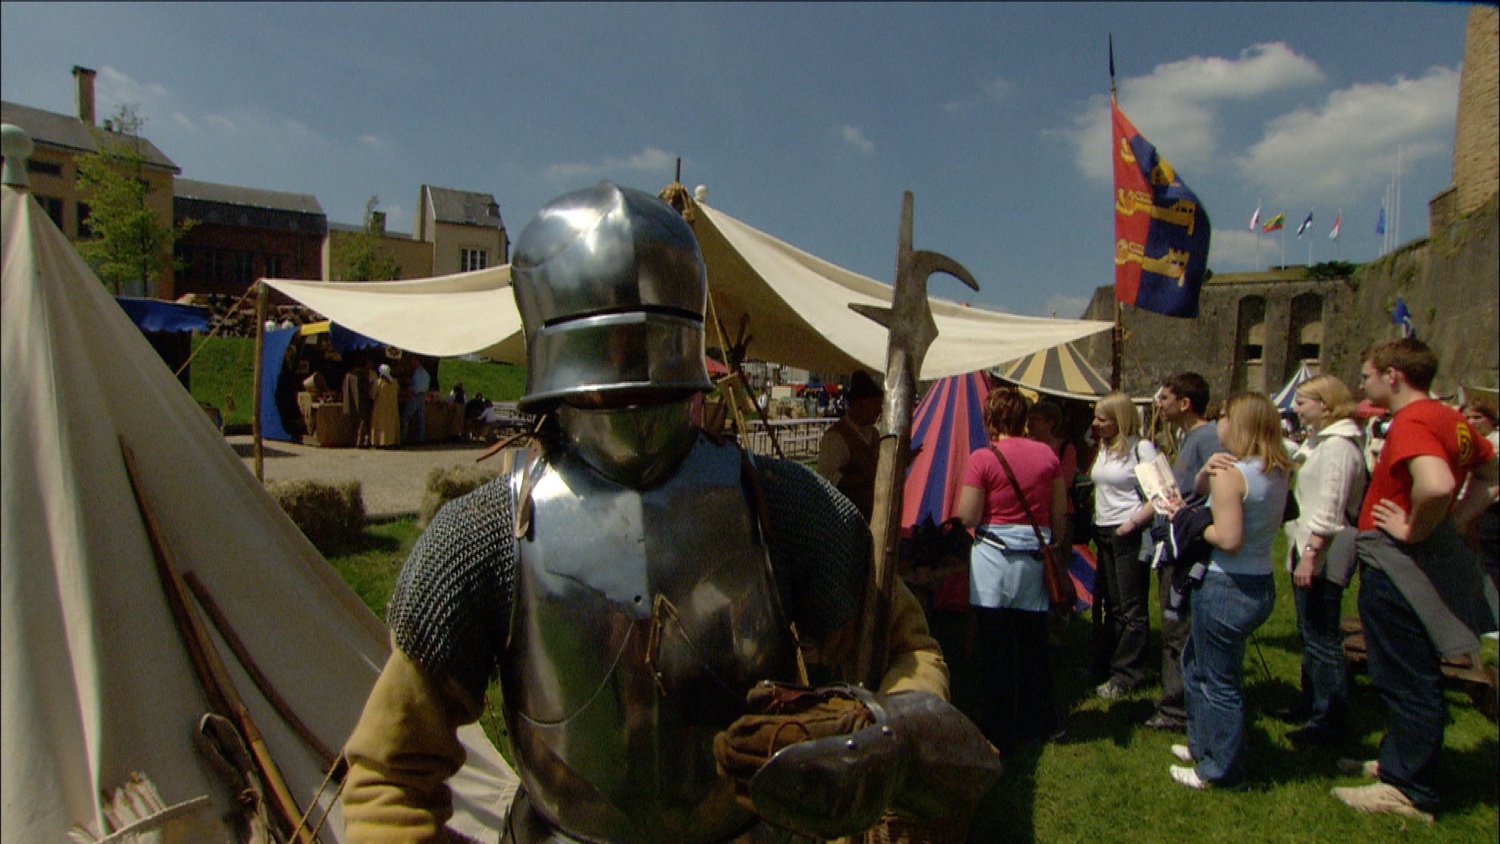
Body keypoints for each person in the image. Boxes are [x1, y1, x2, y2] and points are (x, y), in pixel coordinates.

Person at [341, 182, 1001, 843]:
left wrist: (887, 736)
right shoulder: (486, 535)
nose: (633, 401)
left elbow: (905, 654)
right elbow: (388, 774)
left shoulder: (782, 505)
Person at [1331, 338, 1497, 822]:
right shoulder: (1453, 419)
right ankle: (1400, 764)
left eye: (1367, 376)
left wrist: (1413, 528)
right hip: (1414, 557)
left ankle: (1409, 788)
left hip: (1396, 562)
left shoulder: (1414, 421)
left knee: (1405, 675)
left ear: (1393, 376)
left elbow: (1438, 484)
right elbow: (1490, 476)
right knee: (1411, 669)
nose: (1363, 385)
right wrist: (1452, 520)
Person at [1164, 391, 1290, 790]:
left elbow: (1228, 536)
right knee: (1196, 665)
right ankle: (1205, 745)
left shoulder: (1232, 475)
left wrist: (1187, 518)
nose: (1219, 424)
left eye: (1225, 418)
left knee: (1217, 682)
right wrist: (1204, 476)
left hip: (1225, 583)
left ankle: (1220, 770)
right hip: (1256, 580)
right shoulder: (1274, 469)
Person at [956, 386, 1068, 754]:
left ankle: (999, 725)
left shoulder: (982, 458)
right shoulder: (1048, 456)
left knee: (997, 644)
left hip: (993, 556)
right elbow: (1059, 514)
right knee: (1032, 642)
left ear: (990, 418)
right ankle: (1037, 720)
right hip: (1034, 553)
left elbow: (968, 514)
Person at [1281, 375, 1367, 746]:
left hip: (1327, 548)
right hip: (1313, 545)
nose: (1296, 409)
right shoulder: (1324, 443)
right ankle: (1311, 701)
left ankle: (1329, 717)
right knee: (1310, 631)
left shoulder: (1339, 448)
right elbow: (1298, 457)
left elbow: (1331, 509)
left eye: (1303, 402)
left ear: (1326, 405)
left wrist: (1312, 554)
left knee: (1323, 636)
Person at [1144, 372, 1226, 732]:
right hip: (1179, 543)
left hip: (1189, 547)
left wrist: (1193, 520)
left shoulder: (1207, 438)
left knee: (1178, 627)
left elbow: (1220, 488)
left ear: (1184, 403)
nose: (1158, 405)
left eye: (1164, 399)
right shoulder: (1190, 437)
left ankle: (1177, 709)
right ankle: (1178, 701)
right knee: (1174, 625)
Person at [1087, 392, 1160, 700]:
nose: (1096, 423)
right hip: (1103, 531)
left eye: (1103, 418)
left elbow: (1160, 494)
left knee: (1131, 606)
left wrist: (1130, 525)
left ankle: (1128, 672)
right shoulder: (1104, 448)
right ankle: (1109, 663)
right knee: (1111, 604)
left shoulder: (1140, 449)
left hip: (1127, 533)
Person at [816, 369, 883, 521]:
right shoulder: (836, 438)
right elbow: (825, 479)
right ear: (861, 404)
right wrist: (858, 480)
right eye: (876, 404)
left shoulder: (873, 434)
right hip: (844, 519)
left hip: (871, 516)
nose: (879, 409)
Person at [1458, 395, 1499, 594]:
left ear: (1491, 419)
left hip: (1492, 511)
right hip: (1476, 510)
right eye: (1467, 417)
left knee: (1490, 566)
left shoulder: (1493, 444)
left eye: (1477, 417)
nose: (1471, 422)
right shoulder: (1473, 444)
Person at [343, 358, 374, 449]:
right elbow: (367, 388)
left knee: (354, 421)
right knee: (363, 421)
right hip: (362, 402)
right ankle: (360, 441)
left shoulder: (348, 375)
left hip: (351, 403)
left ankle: (353, 440)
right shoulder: (362, 375)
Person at [370, 363, 401, 448]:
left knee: (381, 425)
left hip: (381, 407)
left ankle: (381, 442)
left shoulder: (378, 383)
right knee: (391, 424)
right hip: (392, 406)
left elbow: (372, 395)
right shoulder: (394, 382)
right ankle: (392, 441)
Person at [401, 361, 431, 445]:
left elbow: (417, 386)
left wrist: (411, 389)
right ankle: (420, 439)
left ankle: (403, 438)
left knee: (405, 417)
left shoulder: (418, 373)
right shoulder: (425, 373)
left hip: (416, 395)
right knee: (420, 418)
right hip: (422, 395)